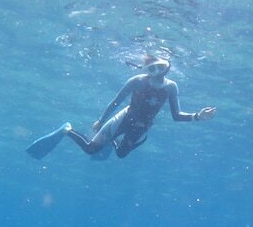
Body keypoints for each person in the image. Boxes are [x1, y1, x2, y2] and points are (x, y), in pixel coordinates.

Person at [26, 54, 216, 160]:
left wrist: (198, 116)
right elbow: (116, 102)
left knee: (122, 154)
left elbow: (176, 115)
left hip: (144, 126)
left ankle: (111, 141)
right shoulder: (137, 81)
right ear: (146, 71)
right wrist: (101, 121)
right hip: (124, 118)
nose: (156, 72)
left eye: (160, 67)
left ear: (167, 66)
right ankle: (67, 130)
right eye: (151, 69)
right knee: (91, 149)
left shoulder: (170, 87)